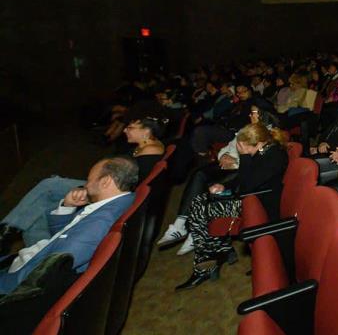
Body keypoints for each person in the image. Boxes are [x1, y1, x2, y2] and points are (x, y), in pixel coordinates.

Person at [0, 117, 163, 251]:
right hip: (110, 183)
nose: (125, 129)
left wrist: (94, 187)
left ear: (146, 132)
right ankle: (15, 235)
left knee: (49, 185)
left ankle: (8, 231)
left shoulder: (151, 151)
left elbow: (130, 181)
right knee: (41, 205)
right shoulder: (141, 147)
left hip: (113, 189)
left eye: (131, 127)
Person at [0, 157, 138, 294]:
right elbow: (64, 233)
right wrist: (67, 206)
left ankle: (5, 234)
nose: (86, 185)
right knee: (34, 216)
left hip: (27, 269)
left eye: (89, 180)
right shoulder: (121, 201)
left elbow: (37, 278)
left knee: (33, 212)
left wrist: (5, 283)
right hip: (49, 247)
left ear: (105, 181)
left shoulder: (96, 225)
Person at [177, 123, 288, 290]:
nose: (239, 148)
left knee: (202, 209)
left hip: (261, 204)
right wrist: (225, 187)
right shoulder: (264, 150)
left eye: (243, 146)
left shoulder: (274, 156)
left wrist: (244, 157)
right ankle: (219, 251)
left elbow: (246, 184)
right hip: (252, 198)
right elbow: (245, 178)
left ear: (258, 143)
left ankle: (207, 265)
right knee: (200, 201)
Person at [156, 106, 278, 254]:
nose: (250, 115)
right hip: (234, 171)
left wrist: (239, 158)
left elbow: (250, 178)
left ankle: (197, 236)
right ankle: (182, 226)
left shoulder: (268, 145)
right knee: (200, 176)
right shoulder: (247, 131)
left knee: (208, 196)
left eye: (254, 113)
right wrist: (224, 158)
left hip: (246, 182)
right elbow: (230, 148)